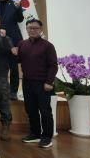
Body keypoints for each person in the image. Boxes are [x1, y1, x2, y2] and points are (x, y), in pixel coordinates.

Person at [12, 19, 58, 148]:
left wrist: (49, 82)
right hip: (27, 82)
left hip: (43, 83)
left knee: (45, 111)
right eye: (30, 28)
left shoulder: (48, 46)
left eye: (35, 28)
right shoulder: (22, 44)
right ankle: (35, 133)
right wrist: (14, 53)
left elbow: (53, 66)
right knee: (30, 109)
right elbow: (18, 60)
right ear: (26, 29)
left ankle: (47, 137)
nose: (32, 30)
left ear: (40, 30)